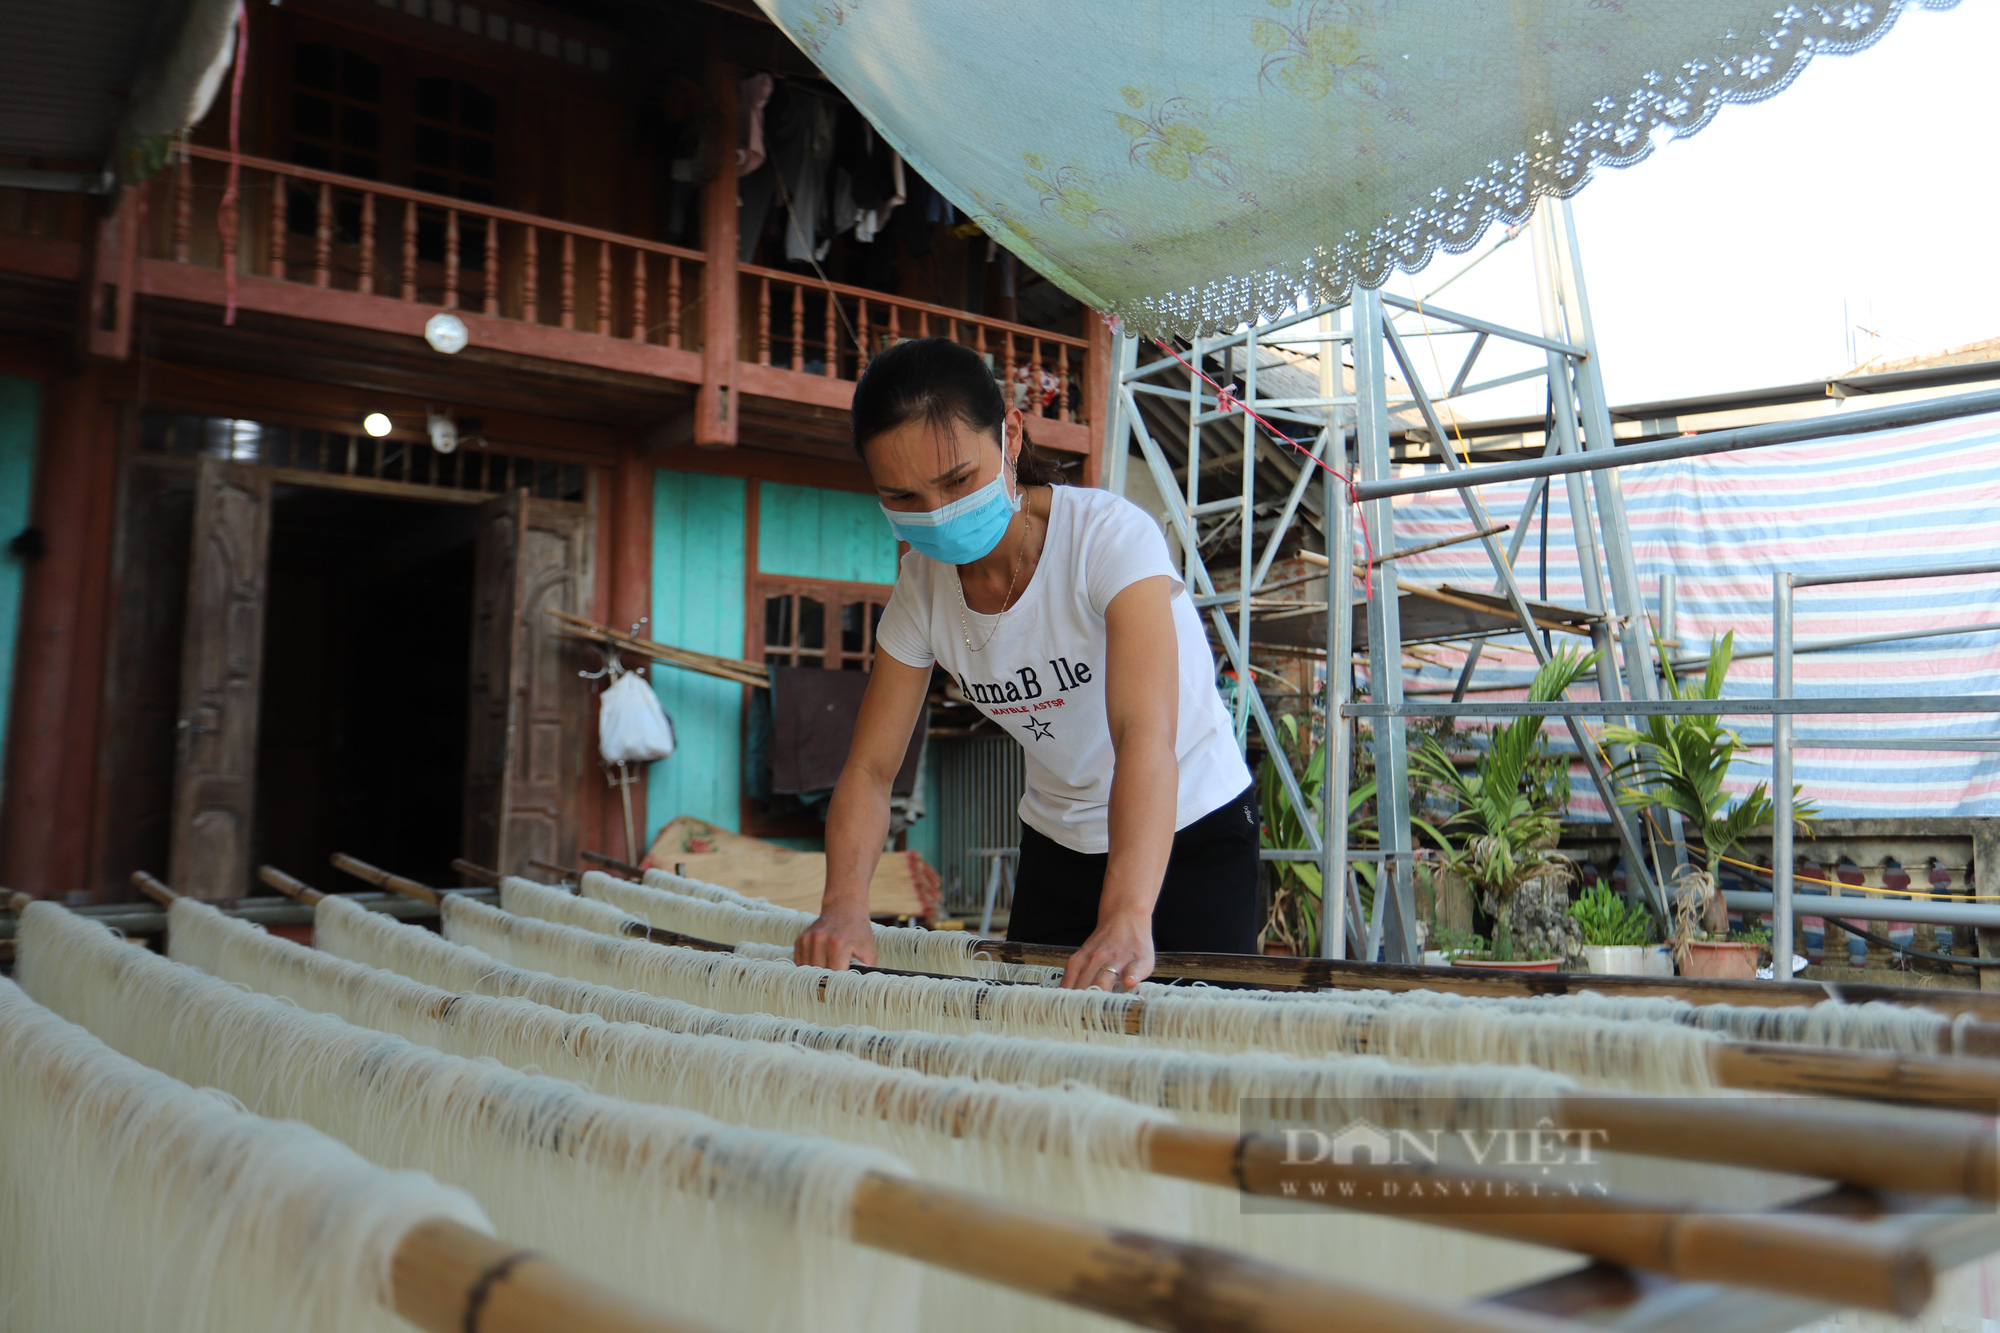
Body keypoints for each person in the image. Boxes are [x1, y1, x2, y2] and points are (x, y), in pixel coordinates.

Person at [793, 337, 1257, 990]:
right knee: (1043, 1064)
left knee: (1197, 1056)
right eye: (904, 498)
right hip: (1059, 844)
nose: (939, 515)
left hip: (1188, 828)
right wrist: (843, 904)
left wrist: (1126, 912)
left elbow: (1142, 734)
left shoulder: (1109, 541)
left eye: (957, 480)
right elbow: (870, 770)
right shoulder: (921, 595)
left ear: (1010, 435)